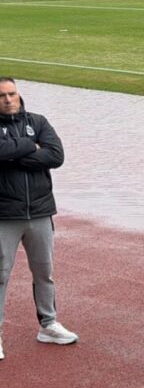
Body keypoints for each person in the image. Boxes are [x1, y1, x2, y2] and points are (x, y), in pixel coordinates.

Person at [0, 78, 78, 361]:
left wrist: (15, 155)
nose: (8, 99)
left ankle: (48, 325)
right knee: (0, 274)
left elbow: (56, 156)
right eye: (2, 96)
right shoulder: (29, 133)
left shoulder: (38, 121)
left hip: (41, 212)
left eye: (12, 93)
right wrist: (30, 146)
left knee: (44, 272)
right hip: (5, 214)